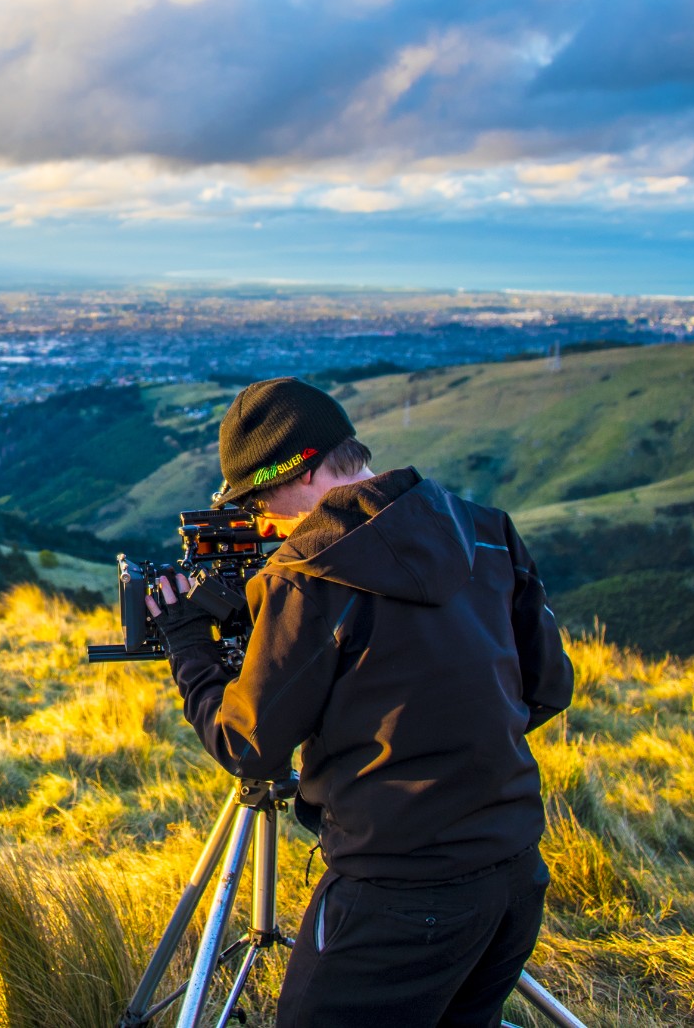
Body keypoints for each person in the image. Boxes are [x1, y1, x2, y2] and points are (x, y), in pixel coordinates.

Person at [147, 378, 575, 1028]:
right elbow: (548, 687)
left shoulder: (306, 576)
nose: (263, 521)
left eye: (259, 499)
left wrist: (187, 643)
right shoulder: (487, 532)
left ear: (300, 472)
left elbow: (248, 748)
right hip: (513, 876)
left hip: (395, 899)